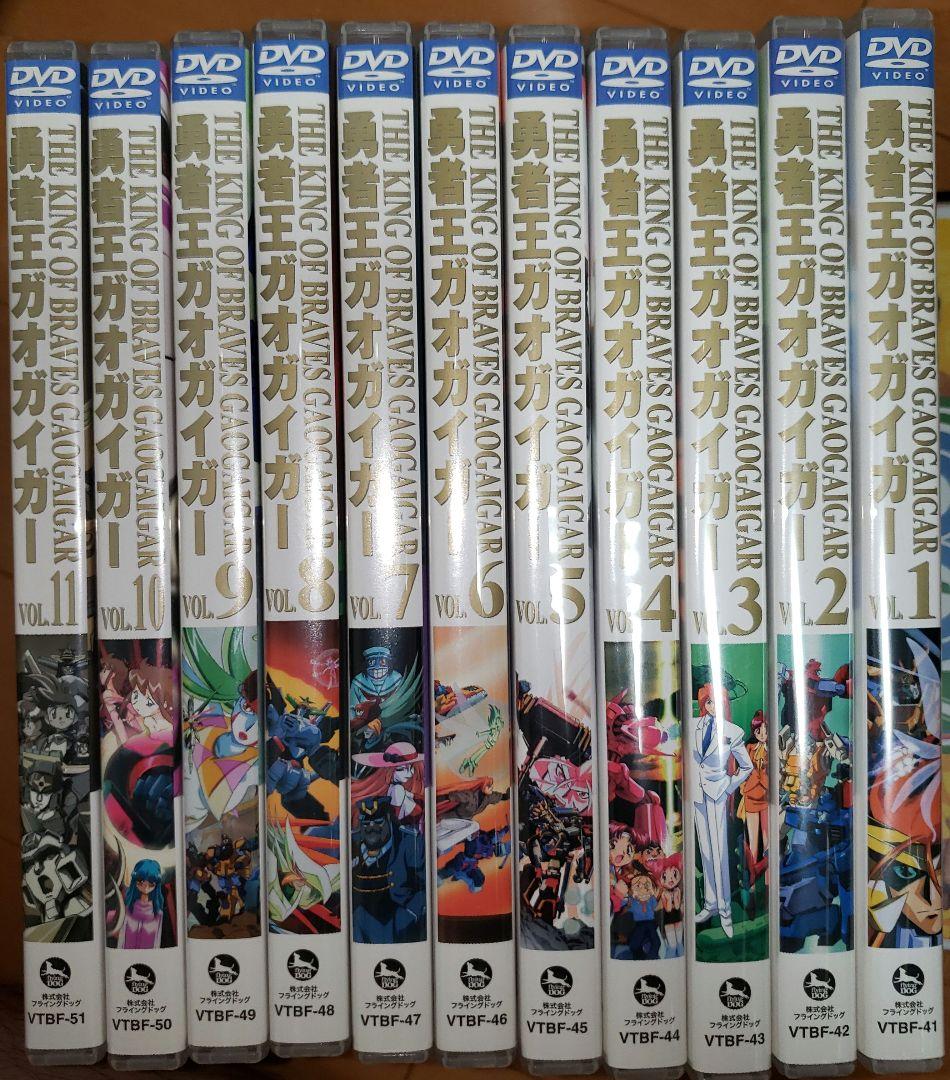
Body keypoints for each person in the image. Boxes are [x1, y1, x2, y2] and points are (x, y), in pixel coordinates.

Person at [692, 683, 752, 938]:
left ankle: (726, 912)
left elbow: (746, 767)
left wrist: (729, 785)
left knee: (719, 853)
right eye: (708, 702)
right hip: (697, 795)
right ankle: (710, 904)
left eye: (716, 702)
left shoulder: (733, 731)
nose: (711, 707)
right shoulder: (693, 725)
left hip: (717, 794)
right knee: (705, 851)